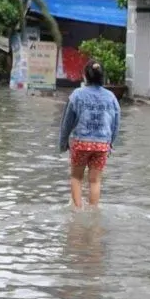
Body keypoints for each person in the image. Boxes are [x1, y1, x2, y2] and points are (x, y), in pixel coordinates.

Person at [57, 60, 120, 209]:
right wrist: (110, 143)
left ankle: (78, 211)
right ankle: (93, 211)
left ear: (85, 76)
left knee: (76, 177)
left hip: (81, 142)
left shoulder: (77, 95)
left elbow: (67, 122)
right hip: (102, 144)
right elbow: (116, 123)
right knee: (95, 181)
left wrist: (63, 142)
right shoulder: (111, 97)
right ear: (102, 77)